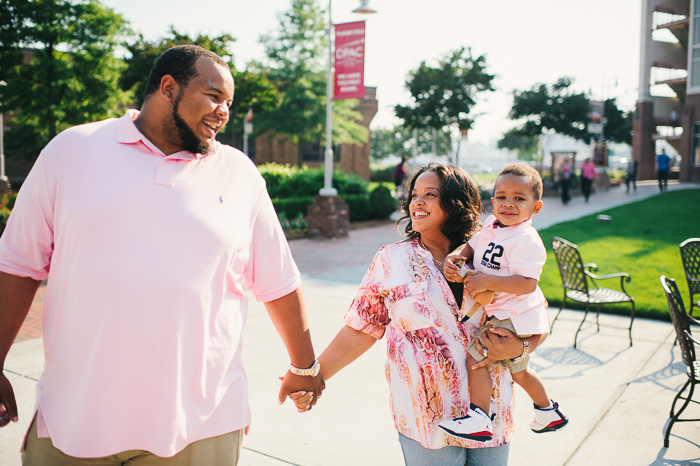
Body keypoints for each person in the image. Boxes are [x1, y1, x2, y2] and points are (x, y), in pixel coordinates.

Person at [0, 45, 323, 465]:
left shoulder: (239, 173)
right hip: (74, 419)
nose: (223, 111)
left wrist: (304, 367)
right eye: (213, 96)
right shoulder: (71, 151)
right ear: (168, 88)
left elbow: (278, 280)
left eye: (229, 103)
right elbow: (18, 266)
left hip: (201, 425)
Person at [291, 163, 527, 465]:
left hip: (491, 410)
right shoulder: (392, 261)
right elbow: (362, 327)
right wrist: (314, 376)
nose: (417, 201)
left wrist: (521, 349)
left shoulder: (493, 254)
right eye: (414, 194)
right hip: (426, 416)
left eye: (430, 194)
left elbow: (530, 313)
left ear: (456, 204)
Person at [436, 164, 567, 441]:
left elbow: (527, 283)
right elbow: (471, 247)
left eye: (519, 198)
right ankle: (547, 411)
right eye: (502, 196)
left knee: (476, 356)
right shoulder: (491, 227)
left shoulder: (526, 240)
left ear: (536, 207)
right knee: (518, 372)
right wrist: (457, 256)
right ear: (492, 201)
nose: (509, 204)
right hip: (505, 312)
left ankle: (480, 417)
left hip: (517, 314)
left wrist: (486, 281)